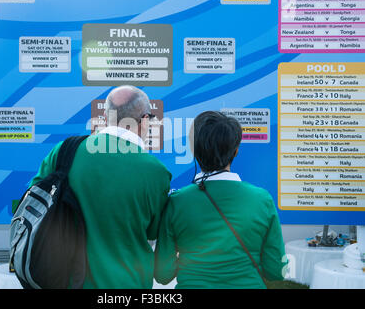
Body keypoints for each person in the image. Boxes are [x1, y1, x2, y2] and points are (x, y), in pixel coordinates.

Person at [29, 85, 171, 288]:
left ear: (105, 117)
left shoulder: (64, 151)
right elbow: (153, 231)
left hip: (64, 280)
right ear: (146, 119)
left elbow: (35, 201)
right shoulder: (156, 172)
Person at [154, 111, 287, 289]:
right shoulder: (262, 200)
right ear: (236, 151)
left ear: (194, 151)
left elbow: (162, 274)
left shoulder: (176, 202)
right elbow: (277, 271)